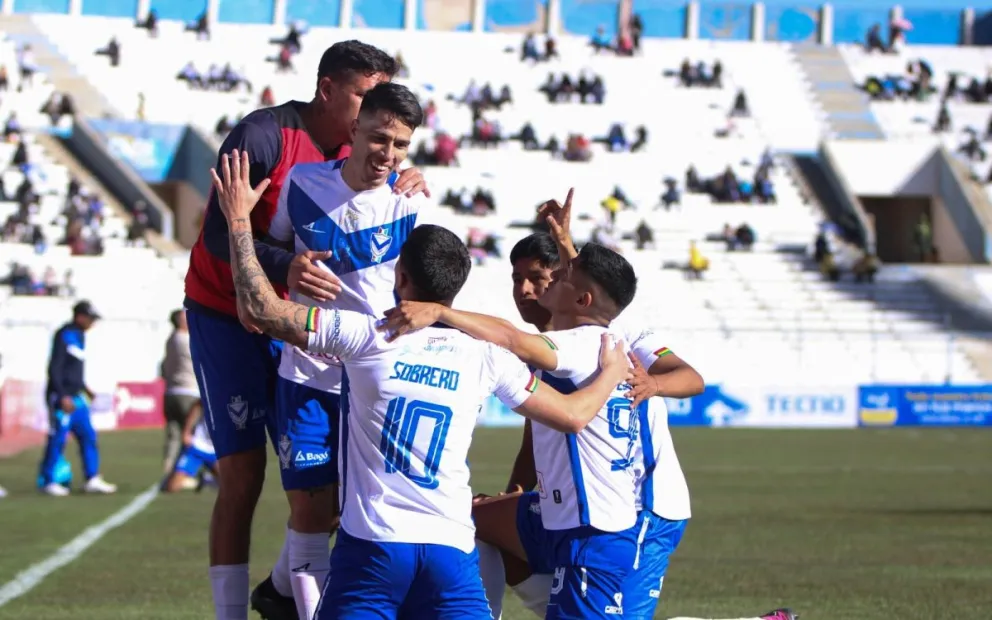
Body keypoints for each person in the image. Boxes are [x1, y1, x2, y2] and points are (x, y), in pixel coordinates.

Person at [208, 155, 633, 618]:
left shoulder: (366, 334)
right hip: (449, 551)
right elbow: (573, 416)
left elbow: (260, 309)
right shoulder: (484, 356)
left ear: (400, 277)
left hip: (373, 549)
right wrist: (612, 371)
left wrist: (237, 221)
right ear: (455, 289)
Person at [181, 40, 428, 620]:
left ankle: (281, 589)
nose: (381, 110)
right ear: (328, 90)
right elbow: (220, 232)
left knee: (330, 487)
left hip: (308, 329)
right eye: (368, 96)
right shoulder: (264, 136)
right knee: (242, 476)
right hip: (227, 314)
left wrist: (406, 183)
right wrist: (282, 265)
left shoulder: (366, 149)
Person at [381, 240, 649, 618]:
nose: (554, 277)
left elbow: (511, 338)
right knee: (469, 519)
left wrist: (440, 312)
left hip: (592, 530)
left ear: (583, 301)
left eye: (562, 276)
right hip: (573, 519)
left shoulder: (577, 345)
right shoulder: (606, 344)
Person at [262, 81, 430, 619]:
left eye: (401, 145)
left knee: (359, 514)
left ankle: (278, 591)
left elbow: (426, 291)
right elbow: (277, 248)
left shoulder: (414, 201)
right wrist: (291, 269)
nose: (388, 154)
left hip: (375, 381)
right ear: (355, 128)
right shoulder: (302, 181)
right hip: (307, 372)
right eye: (380, 138)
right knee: (310, 510)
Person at [38, 300, 117, 496]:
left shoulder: (80, 336)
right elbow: (55, 368)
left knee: (88, 436)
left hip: (77, 397)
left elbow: (73, 369)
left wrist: (85, 388)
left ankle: (92, 478)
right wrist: (62, 395)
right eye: (90, 318)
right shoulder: (64, 334)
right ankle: (49, 480)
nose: (93, 323)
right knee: (57, 439)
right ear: (80, 316)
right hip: (62, 398)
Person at [161, 309, 199, 477]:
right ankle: (186, 473)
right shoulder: (185, 340)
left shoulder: (170, 340)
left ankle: (169, 470)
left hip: (170, 391)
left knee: (174, 434)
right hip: (188, 391)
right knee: (193, 433)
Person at [161, 400, 218, 493]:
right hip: (198, 445)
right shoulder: (214, 394)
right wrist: (187, 431)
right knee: (172, 487)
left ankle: (208, 480)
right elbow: (197, 406)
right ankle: (199, 481)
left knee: (231, 484)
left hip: (217, 449)